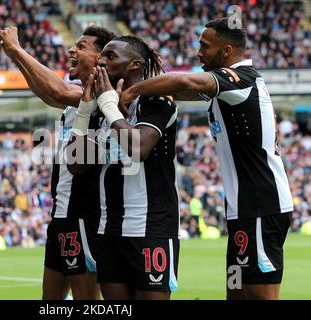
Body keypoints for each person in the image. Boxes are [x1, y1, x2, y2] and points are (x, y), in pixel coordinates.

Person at [120, 18, 293, 300]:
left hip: (260, 205)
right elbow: (182, 89)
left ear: (226, 51)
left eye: (204, 46)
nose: (198, 52)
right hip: (243, 210)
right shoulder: (226, 89)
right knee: (236, 292)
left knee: (260, 296)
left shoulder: (241, 78)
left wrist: (132, 91)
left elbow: (185, 80)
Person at [0, 25, 116, 300]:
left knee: (86, 300)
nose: (71, 50)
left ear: (102, 57)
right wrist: (14, 56)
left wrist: (17, 49)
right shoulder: (76, 92)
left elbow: (56, 91)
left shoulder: (102, 95)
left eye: (82, 45)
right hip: (61, 211)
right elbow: (47, 91)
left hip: (83, 213)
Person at [68, 35, 180, 300]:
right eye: (102, 55)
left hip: (150, 226)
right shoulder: (100, 110)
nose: (101, 61)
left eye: (110, 56)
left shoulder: (157, 102)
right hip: (109, 228)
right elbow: (76, 165)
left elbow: (138, 148)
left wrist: (109, 106)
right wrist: (85, 112)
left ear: (134, 65)